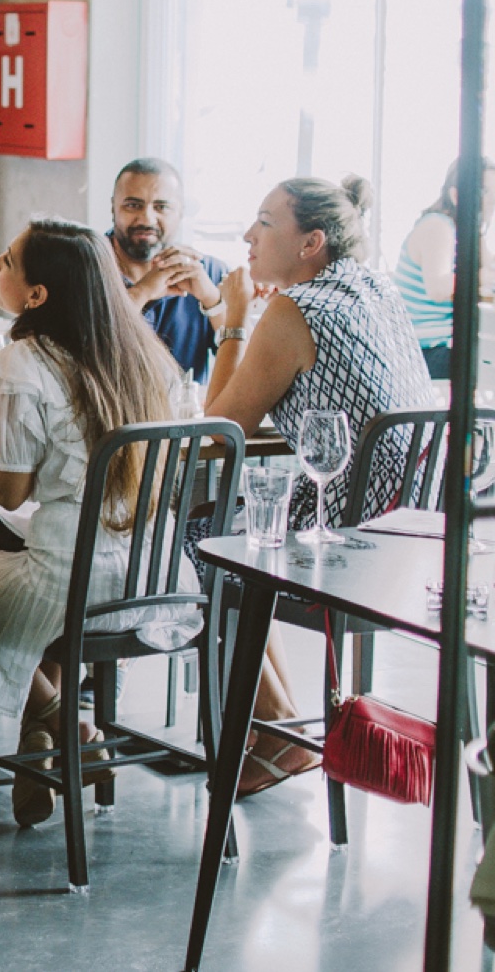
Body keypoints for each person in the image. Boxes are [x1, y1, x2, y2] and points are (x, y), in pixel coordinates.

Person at [202, 175, 434, 795]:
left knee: (199, 532)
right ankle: (269, 722)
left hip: (346, 542)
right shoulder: (377, 288)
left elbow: (218, 430)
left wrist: (232, 322)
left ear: (312, 242)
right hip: (411, 532)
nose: (248, 236)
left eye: (265, 222)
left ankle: (276, 724)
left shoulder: (294, 309)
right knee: (235, 525)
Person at [0, 219, 201, 828]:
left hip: (69, 588)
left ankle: (57, 719)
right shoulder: (144, 359)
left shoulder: (19, 364)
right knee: (27, 565)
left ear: (37, 295)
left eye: (7, 259)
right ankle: (48, 735)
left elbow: (11, 488)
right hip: (154, 584)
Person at [108, 159, 228, 382]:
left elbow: (246, 365)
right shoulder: (81, 268)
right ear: (113, 207)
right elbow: (73, 353)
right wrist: (141, 292)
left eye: (161, 207)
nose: (146, 219)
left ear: (181, 212)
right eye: (133, 205)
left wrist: (213, 301)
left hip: (183, 415)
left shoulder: (211, 272)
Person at [392, 158, 495, 379]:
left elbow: (490, 270)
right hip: (423, 351)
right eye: (484, 191)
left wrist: (478, 229)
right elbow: (438, 288)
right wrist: (485, 275)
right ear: (456, 195)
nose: (490, 200)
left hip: (441, 347)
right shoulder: (437, 226)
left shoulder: (463, 229)